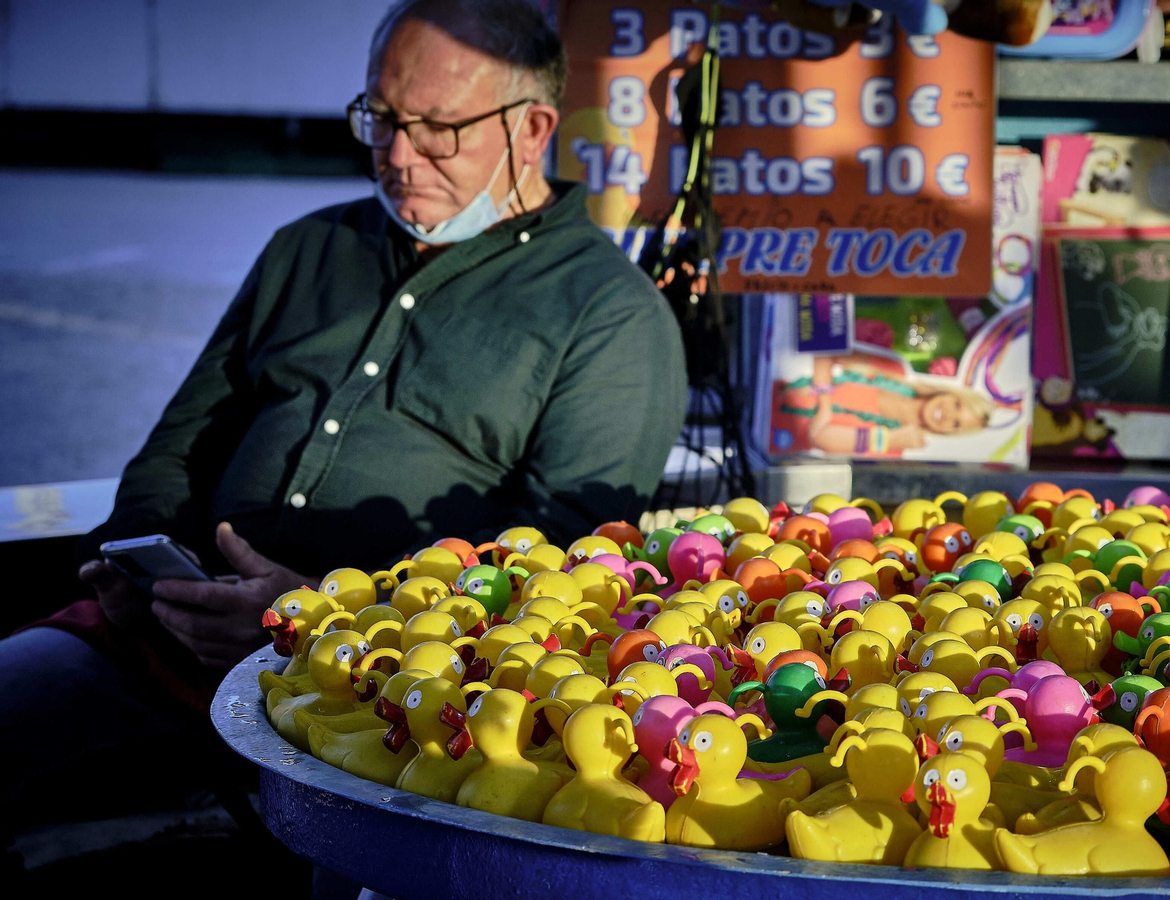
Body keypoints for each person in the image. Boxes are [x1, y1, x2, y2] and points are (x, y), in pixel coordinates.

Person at [0, 0, 685, 836]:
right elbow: (177, 446)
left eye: (437, 129)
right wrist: (136, 560)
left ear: (533, 129)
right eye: (382, 119)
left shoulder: (611, 314)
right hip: (164, 638)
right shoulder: (307, 247)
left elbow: (560, 566)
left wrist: (323, 615)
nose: (396, 155)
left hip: (399, 689)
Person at [774, 351, 994, 455]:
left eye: (956, 424)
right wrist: (824, 404)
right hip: (771, 383)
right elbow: (826, 351)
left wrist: (891, 439)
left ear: (950, 433)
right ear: (951, 393)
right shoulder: (895, 372)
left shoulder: (894, 444)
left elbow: (819, 438)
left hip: (775, 431)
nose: (948, 415)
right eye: (957, 405)